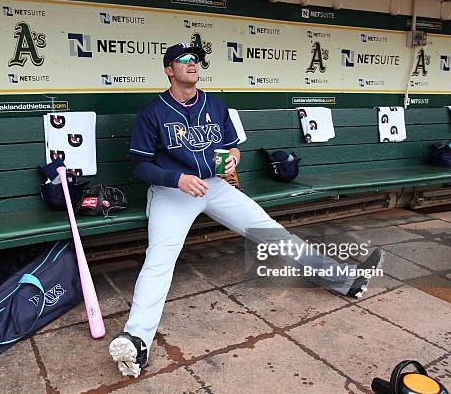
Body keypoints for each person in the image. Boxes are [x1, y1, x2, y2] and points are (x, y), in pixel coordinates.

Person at [108, 42, 385, 378]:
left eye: (196, 59)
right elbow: (140, 166)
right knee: (159, 259)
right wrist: (176, 178)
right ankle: (136, 341)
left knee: (272, 233)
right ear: (169, 69)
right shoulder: (153, 112)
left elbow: (231, 147)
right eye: (183, 60)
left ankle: (346, 279)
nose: (192, 63)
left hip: (216, 186)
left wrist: (232, 160)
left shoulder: (216, 104)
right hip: (172, 192)